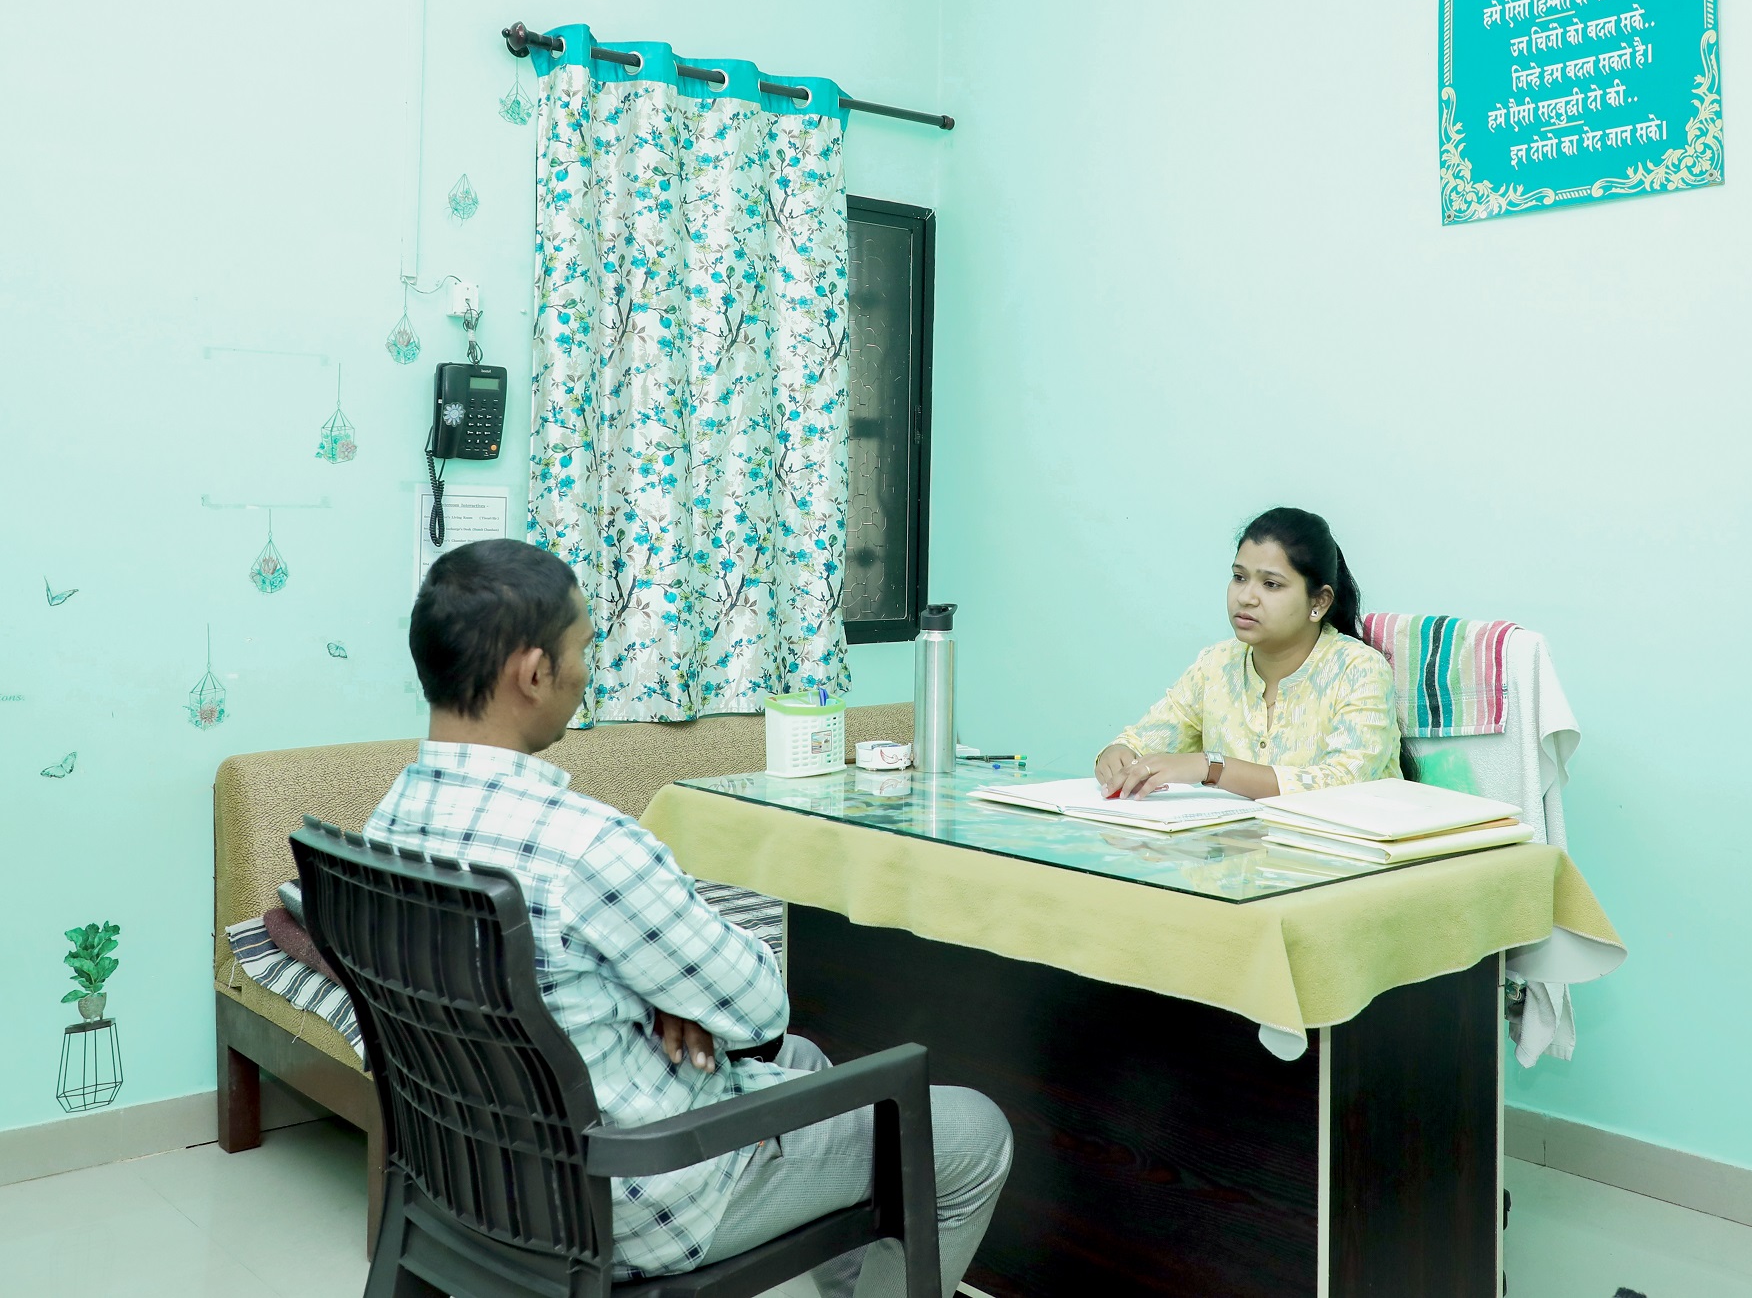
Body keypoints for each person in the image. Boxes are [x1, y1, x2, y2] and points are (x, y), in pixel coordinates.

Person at [366, 538, 1011, 1294]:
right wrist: (679, 995)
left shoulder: (388, 822)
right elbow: (758, 1005)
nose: (586, 673)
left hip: (474, 1173)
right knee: (968, 1132)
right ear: (534, 673)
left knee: (799, 1061)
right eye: (583, 650)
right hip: (632, 1193)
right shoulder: (587, 846)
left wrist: (658, 996)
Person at [1096, 507, 1405, 801]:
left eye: (1271, 584)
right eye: (1239, 577)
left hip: (1347, 851)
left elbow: (1342, 782)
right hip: (1241, 850)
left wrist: (1212, 767)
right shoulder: (1215, 665)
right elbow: (1141, 741)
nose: (1245, 597)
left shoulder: (1359, 668)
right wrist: (1118, 754)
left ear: (1320, 602)